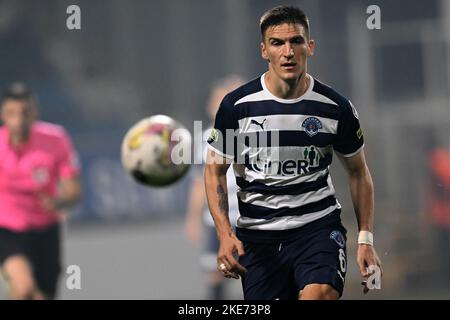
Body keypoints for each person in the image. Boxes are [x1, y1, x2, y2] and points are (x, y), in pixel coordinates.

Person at [204, 6, 382, 300]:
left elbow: (358, 172)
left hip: (317, 230)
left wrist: (366, 239)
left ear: (309, 47)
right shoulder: (237, 107)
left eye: (296, 41)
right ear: (264, 50)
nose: (288, 52)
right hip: (259, 239)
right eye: (277, 43)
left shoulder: (335, 108)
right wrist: (224, 233)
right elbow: (214, 171)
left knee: (320, 293)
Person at [0, 83, 82, 299]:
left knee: (42, 296)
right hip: (8, 229)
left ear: (34, 113)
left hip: (45, 229)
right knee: (23, 286)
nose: (18, 120)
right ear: (3, 115)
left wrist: (58, 202)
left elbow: (74, 190)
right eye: (12, 113)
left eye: (24, 113)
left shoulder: (56, 140)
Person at [185, 76, 244, 299]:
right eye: (215, 101)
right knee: (216, 272)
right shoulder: (203, 139)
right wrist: (192, 218)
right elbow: (199, 183)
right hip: (218, 219)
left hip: (251, 217)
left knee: (260, 273)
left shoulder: (254, 135)